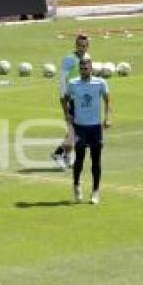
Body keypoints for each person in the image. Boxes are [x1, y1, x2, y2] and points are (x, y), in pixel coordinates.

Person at [63, 58, 111, 204]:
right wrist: (68, 114)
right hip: (80, 127)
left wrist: (108, 117)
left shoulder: (100, 83)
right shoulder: (73, 84)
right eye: (82, 69)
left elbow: (108, 99)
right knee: (80, 158)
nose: (84, 71)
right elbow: (65, 98)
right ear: (79, 70)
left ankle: (95, 191)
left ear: (91, 69)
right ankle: (77, 185)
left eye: (86, 69)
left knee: (96, 160)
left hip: (95, 127)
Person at [52, 34, 90, 169]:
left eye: (85, 46)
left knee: (74, 131)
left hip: (82, 101)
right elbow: (62, 83)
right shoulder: (69, 60)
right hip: (71, 100)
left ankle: (67, 157)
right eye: (80, 45)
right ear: (76, 45)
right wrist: (64, 106)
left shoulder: (87, 58)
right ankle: (58, 153)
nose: (82, 48)